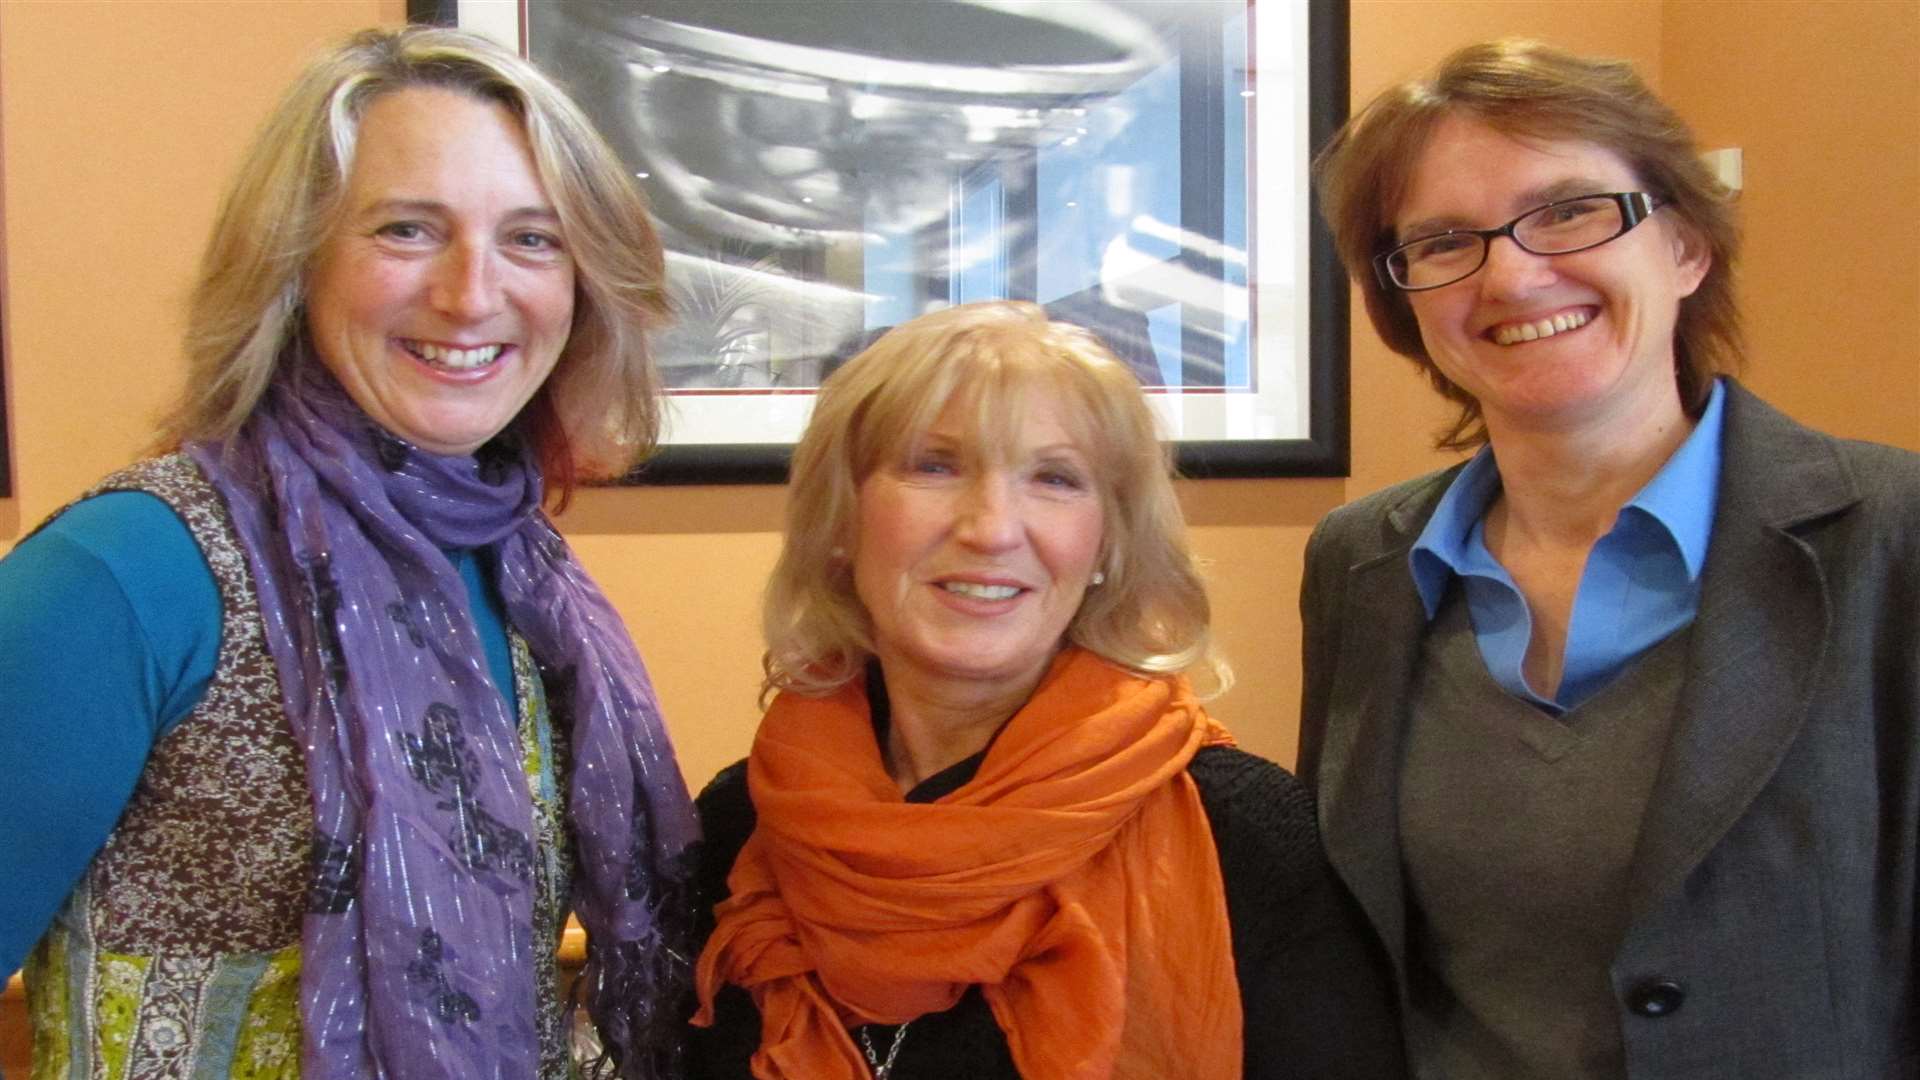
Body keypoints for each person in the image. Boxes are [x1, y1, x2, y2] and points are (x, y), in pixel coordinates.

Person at [0, 27, 698, 1079]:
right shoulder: (127, 573)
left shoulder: (530, 582)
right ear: (295, 260)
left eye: (532, 238)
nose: (472, 295)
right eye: (408, 230)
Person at [1302, 38, 1920, 1079]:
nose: (1511, 272)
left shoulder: (1893, 538)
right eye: (1446, 239)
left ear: (1685, 246)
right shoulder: (1362, 565)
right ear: (1402, 300)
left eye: (1570, 211)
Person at [686, 301, 1402, 1079]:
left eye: (1055, 478)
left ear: (1106, 544)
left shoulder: (1245, 834)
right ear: (840, 517)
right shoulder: (744, 821)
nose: (992, 527)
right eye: (935, 465)